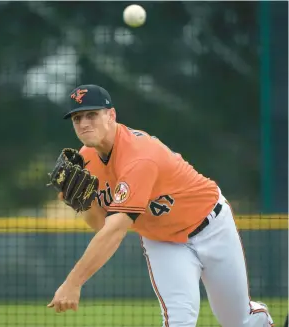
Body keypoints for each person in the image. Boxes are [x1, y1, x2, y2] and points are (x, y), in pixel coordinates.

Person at [47, 84, 274, 327]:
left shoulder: (139, 157)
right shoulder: (87, 159)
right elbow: (101, 225)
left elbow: (115, 230)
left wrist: (73, 282)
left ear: (111, 115)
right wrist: (84, 204)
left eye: (92, 115)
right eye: (77, 118)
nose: (84, 124)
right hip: (163, 241)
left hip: (211, 226)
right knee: (178, 321)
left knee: (237, 320)